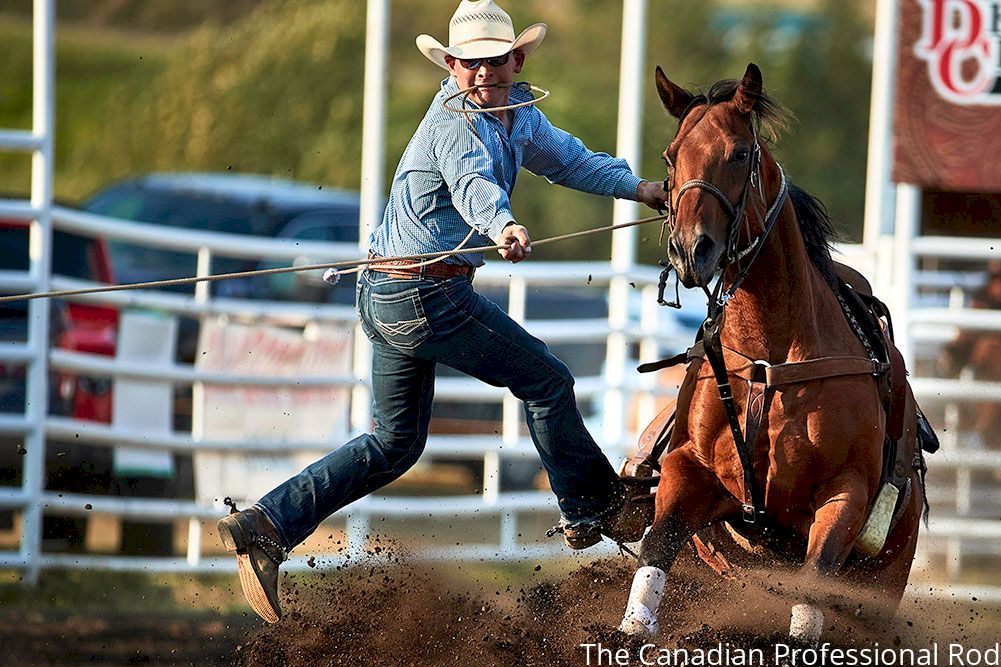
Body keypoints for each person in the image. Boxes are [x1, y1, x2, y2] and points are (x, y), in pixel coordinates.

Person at [217, 0, 668, 624]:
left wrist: (641, 189)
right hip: (424, 295)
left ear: (515, 60)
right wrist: (503, 223)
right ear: (453, 66)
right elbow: (474, 184)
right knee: (547, 380)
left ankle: (267, 525)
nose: (483, 74)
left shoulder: (519, 115)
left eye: (494, 61)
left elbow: (570, 160)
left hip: (391, 293)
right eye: (470, 64)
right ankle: (594, 508)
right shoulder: (455, 123)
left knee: (394, 442)